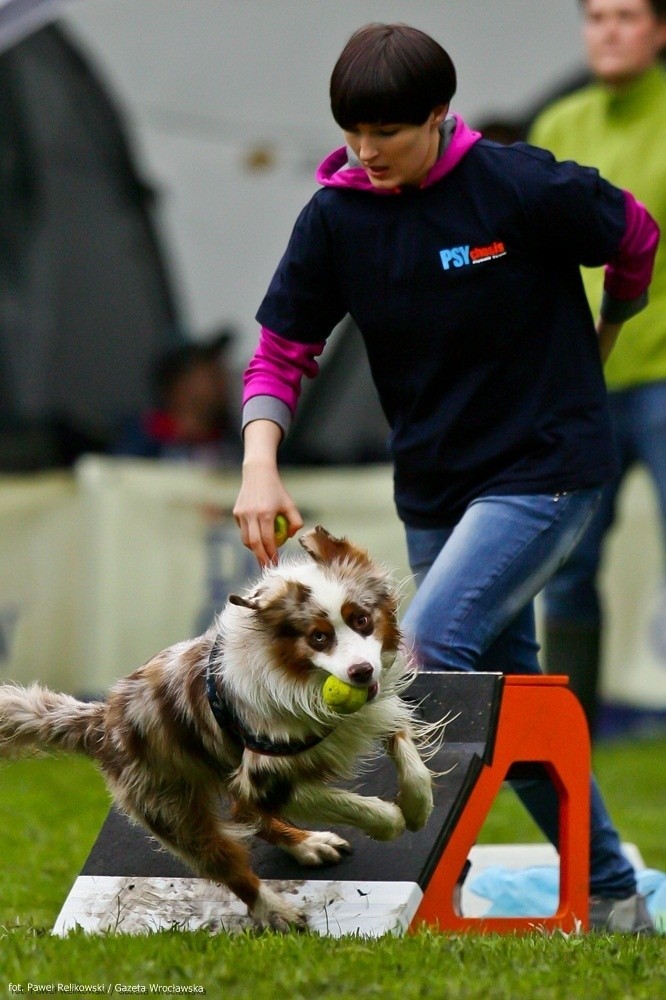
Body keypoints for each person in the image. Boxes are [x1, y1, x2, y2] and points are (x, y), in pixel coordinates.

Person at [232, 23, 659, 932]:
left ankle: (392, 886)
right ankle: (616, 892)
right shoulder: (337, 216)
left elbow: (634, 234)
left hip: (549, 467)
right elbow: (280, 352)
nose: (366, 151)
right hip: (434, 488)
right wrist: (258, 465)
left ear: (438, 116)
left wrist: (611, 332)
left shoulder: (520, 184)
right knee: (511, 693)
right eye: (352, 131)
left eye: (386, 132)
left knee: (422, 653)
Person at [528, 0, 666, 737]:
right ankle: (569, 735)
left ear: (660, 30)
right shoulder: (559, 125)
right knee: (567, 567)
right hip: (582, 382)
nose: (608, 30)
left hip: (665, 376)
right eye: (596, 17)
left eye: (625, 15)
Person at [113, 329, 241, 467]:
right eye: (208, 371)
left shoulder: (231, 440)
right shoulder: (142, 438)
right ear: (177, 385)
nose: (222, 378)